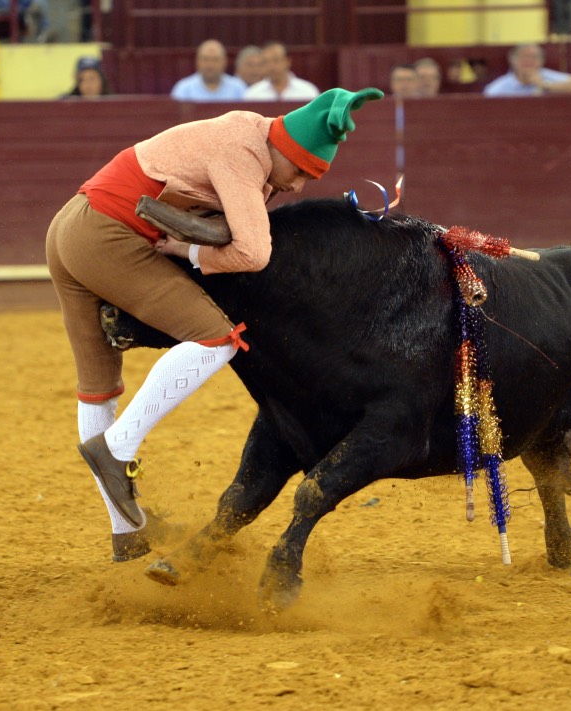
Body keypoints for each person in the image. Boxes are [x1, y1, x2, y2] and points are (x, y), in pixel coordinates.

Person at [45, 87, 384, 562]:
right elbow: (253, 253)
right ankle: (116, 448)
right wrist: (191, 253)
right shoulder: (243, 155)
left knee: (99, 387)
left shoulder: (245, 134)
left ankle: (127, 530)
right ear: (283, 151)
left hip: (70, 226)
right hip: (107, 234)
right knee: (217, 339)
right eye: (301, 172)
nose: (299, 187)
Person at [483, 44, 571, 97]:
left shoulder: (547, 76)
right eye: (524, 57)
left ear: (541, 61)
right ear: (512, 60)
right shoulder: (499, 87)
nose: (529, 61)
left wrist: (546, 86)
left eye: (534, 57)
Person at [170, 39, 246, 102]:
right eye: (205, 59)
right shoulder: (184, 88)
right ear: (197, 62)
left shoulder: (238, 87)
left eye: (215, 60)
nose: (210, 64)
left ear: (224, 62)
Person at [244, 41, 319, 101]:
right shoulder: (252, 94)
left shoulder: (308, 91)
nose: (271, 66)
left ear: (288, 61)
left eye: (276, 60)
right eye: (266, 61)